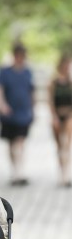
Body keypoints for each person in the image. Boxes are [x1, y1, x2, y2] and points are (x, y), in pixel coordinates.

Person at [0, 43, 35, 186]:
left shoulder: (27, 72)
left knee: (20, 141)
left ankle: (20, 172)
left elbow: (31, 91)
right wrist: (2, 105)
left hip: (23, 113)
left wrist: (33, 108)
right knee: (12, 143)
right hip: (9, 113)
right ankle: (14, 171)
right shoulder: (5, 72)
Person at [48, 54, 72, 187]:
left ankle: (67, 175)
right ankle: (61, 173)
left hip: (69, 115)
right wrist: (54, 117)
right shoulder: (53, 82)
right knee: (59, 146)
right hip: (57, 115)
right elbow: (50, 101)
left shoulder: (70, 82)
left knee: (67, 145)